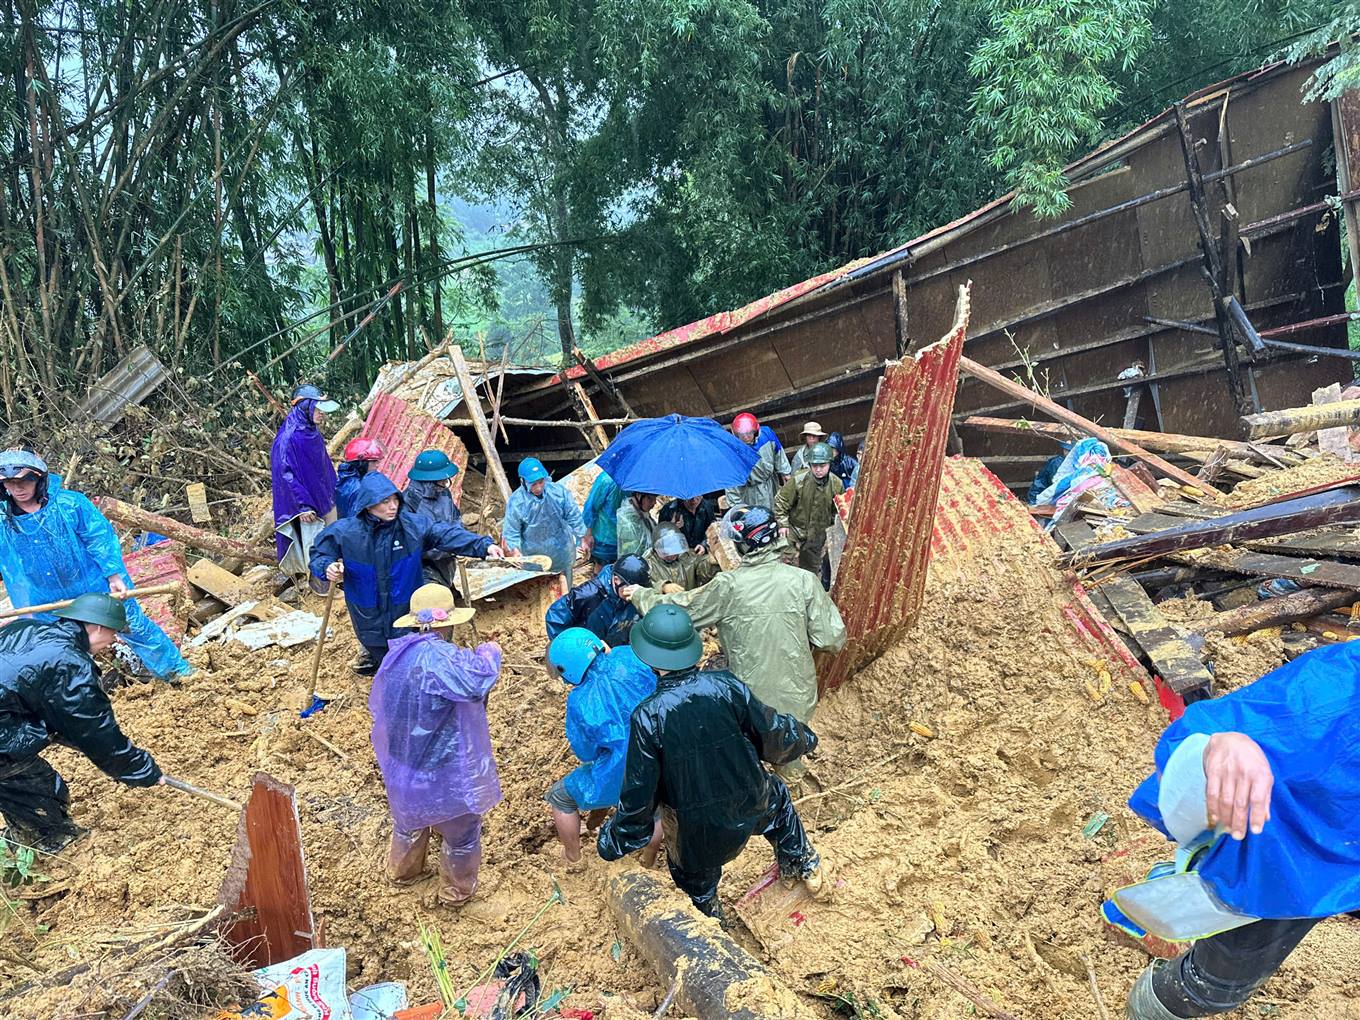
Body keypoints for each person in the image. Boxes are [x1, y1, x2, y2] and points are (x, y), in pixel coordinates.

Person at [1122, 641, 1360, 1020]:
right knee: (1208, 989)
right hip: (1287, 857)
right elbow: (1202, 732)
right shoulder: (1335, 686)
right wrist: (1219, 747)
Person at [596, 605, 826, 921]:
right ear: (691, 649)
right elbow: (772, 734)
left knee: (696, 887)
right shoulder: (726, 686)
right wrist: (804, 737)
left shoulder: (647, 717)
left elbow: (638, 796)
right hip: (751, 802)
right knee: (778, 802)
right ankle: (803, 862)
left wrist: (614, 840)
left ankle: (711, 922)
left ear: (648, 657)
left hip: (695, 836)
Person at [621, 505, 846, 783]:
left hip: (749, 706)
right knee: (786, 752)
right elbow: (832, 638)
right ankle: (793, 783)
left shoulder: (728, 586)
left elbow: (679, 610)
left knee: (745, 759)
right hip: (799, 699)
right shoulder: (804, 581)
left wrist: (642, 595)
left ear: (741, 546)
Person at [0, 449, 190, 680]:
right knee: (55, 647)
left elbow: (99, 539)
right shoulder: (4, 520)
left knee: (133, 626)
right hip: (44, 596)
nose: (18, 489)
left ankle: (179, 674)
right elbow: (9, 565)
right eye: (11, 483)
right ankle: (77, 696)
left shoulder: (70, 504)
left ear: (39, 480)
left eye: (24, 481)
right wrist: (25, 605)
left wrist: (114, 575)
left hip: (94, 583)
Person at [0, 594, 164, 853]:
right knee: (40, 792)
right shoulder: (68, 662)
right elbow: (95, 730)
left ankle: (23, 832)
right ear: (97, 627)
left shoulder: (28, 629)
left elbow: (52, 712)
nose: (114, 641)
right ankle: (52, 845)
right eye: (113, 633)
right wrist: (141, 769)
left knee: (16, 782)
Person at [370, 584, 501, 906]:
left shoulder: (397, 654)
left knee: (409, 822)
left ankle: (404, 872)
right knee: (462, 834)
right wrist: (489, 652)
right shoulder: (443, 658)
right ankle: (456, 892)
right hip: (444, 771)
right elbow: (477, 681)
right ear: (447, 622)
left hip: (402, 764)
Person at [310, 472, 505, 675]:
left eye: (395, 500)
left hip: (405, 612)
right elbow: (320, 553)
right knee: (385, 661)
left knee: (412, 663)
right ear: (368, 504)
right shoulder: (347, 532)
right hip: (367, 615)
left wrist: (483, 546)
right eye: (384, 502)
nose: (392, 506)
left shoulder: (412, 526)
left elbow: (445, 534)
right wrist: (326, 566)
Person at [544, 628, 659, 865]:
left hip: (619, 771)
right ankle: (648, 859)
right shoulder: (629, 656)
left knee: (560, 798)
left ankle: (573, 858)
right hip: (660, 755)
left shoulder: (581, 701)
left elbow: (586, 752)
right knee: (655, 808)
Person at [272, 384, 340, 585]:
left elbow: (322, 465)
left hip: (325, 495)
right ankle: (320, 588)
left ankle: (337, 579)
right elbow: (285, 476)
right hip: (307, 503)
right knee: (314, 545)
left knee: (333, 538)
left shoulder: (312, 431)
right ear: (306, 407)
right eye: (318, 410)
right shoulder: (288, 437)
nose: (322, 415)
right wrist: (303, 505)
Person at [501, 458, 587, 579]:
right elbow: (511, 531)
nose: (539, 487)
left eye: (541, 482)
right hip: (534, 557)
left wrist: (582, 537)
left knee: (564, 586)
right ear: (523, 481)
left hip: (562, 550)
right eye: (534, 484)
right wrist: (515, 550)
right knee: (540, 588)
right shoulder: (516, 503)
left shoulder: (558, 492)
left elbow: (573, 515)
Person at [544, 554, 651, 647]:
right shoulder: (589, 594)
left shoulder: (637, 596)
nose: (635, 593)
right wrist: (568, 649)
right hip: (587, 653)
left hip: (614, 654)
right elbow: (555, 616)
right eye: (631, 588)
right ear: (616, 580)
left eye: (639, 590)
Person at [774, 442, 845, 577]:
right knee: (785, 562)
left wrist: (830, 531)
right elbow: (781, 501)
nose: (818, 469)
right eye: (815, 466)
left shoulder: (837, 484)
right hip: (794, 528)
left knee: (810, 570)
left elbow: (838, 512)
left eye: (822, 466)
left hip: (817, 533)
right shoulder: (799, 480)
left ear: (830, 464)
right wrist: (782, 524)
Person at [402, 450, 464, 586]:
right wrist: (449, 549)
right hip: (423, 569)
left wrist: (461, 540)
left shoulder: (443, 493)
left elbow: (455, 518)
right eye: (441, 481)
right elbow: (415, 545)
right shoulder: (409, 503)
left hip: (445, 564)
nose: (445, 484)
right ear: (428, 481)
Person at [725, 413, 790, 512]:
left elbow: (778, 453)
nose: (746, 437)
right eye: (742, 434)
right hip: (751, 492)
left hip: (771, 484)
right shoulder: (734, 451)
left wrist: (786, 472)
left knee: (777, 513)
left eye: (749, 433)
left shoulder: (767, 434)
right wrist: (737, 508)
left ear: (755, 431)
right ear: (736, 434)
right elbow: (732, 483)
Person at [645, 525, 718, 592]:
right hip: (666, 605)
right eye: (667, 553)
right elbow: (641, 589)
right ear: (656, 549)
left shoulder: (687, 556)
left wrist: (710, 563)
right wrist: (662, 587)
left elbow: (703, 572)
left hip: (688, 602)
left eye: (675, 551)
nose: (672, 556)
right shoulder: (648, 564)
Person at [335, 438, 386, 518]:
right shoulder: (358, 489)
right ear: (361, 462)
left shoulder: (347, 476)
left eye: (378, 461)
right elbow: (357, 523)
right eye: (373, 461)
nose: (377, 464)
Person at [581, 471, 624, 566]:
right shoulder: (608, 480)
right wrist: (588, 533)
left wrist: (587, 533)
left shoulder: (606, 479)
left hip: (612, 537)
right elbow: (591, 507)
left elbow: (591, 506)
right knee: (603, 566)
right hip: (606, 538)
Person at [616, 491, 658, 559]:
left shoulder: (644, 514)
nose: (654, 503)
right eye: (650, 498)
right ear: (638, 495)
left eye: (655, 498)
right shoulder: (628, 519)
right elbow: (634, 549)